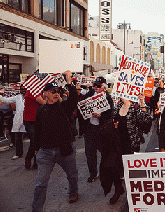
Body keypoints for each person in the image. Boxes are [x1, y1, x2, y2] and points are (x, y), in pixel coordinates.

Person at [32, 71, 79, 211]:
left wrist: (69, 82)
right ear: (45, 93)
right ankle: (37, 208)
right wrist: (35, 148)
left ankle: (73, 192)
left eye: (58, 91)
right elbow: (37, 131)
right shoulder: (41, 110)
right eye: (52, 91)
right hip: (45, 152)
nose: (56, 93)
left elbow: (74, 100)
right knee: (41, 183)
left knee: (72, 174)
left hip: (64, 149)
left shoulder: (64, 107)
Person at [82, 77, 114, 183]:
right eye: (95, 86)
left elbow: (110, 115)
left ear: (104, 86)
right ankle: (93, 173)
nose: (97, 88)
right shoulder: (89, 94)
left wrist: (100, 116)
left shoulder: (108, 98)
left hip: (102, 129)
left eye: (99, 86)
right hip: (90, 128)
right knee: (90, 152)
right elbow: (81, 105)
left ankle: (107, 172)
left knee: (105, 152)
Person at [23, 80, 46, 169]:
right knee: (34, 142)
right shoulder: (31, 92)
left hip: (38, 120)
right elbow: (42, 102)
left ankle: (36, 162)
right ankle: (29, 158)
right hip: (30, 120)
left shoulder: (39, 92)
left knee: (37, 141)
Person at [0, 85, 27, 159]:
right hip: (18, 119)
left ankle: (34, 154)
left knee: (33, 137)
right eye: (22, 89)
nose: (23, 90)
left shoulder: (30, 97)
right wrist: (1, 97)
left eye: (25, 89)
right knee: (18, 137)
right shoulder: (17, 97)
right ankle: (19, 154)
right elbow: (7, 100)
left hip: (28, 119)